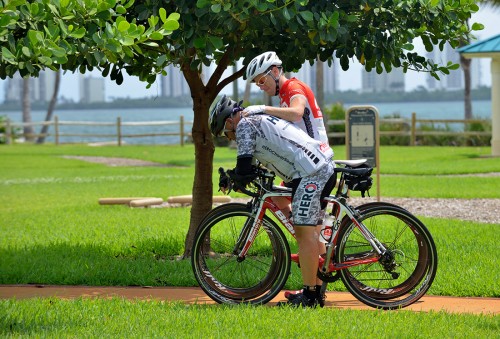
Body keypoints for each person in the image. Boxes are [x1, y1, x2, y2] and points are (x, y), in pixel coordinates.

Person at [209, 95, 336, 307]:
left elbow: (244, 168)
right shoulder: (254, 119)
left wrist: (233, 176)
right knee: (309, 230)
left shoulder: (244, 125)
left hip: (311, 172)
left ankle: (310, 296)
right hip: (315, 167)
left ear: (230, 121)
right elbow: (255, 163)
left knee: (304, 234)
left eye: (225, 133)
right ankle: (317, 290)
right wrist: (238, 175)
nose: (228, 138)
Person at [242, 51, 330, 300]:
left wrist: (262, 109)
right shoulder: (282, 95)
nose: (261, 86)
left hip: (313, 166)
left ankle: (313, 255)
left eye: (262, 80)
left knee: (307, 230)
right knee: (280, 200)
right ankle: (315, 257)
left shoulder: (293, 86)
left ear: (276, 71)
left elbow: (297, 112)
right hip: (303, 167)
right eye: (257, 83)